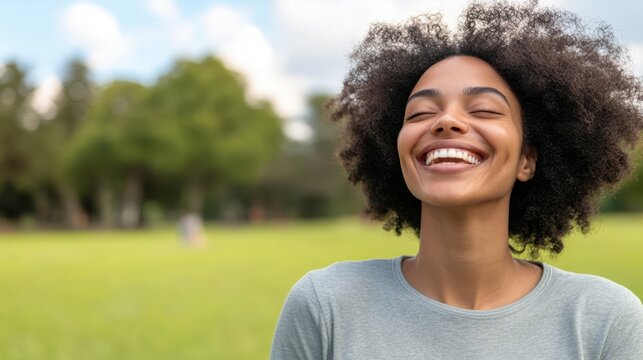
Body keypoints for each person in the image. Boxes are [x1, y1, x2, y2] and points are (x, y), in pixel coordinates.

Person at [270, 1, 643, 359]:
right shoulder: (325, 305)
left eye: (483, 109)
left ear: (527, 160)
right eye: (420, 113)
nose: (446, 122)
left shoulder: (605, 320)